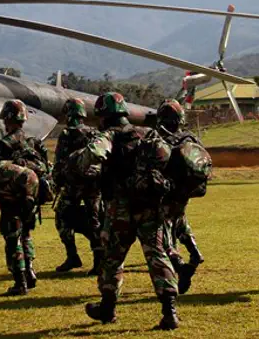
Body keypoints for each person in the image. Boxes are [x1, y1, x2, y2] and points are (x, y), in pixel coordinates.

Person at [82, 92, 180, 330]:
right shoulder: (148, 133)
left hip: (121, 210)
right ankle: (170, 312)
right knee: (157, 256)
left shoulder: (110, 135)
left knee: (112, 258)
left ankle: (108, 307)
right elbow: (167, 155)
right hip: (150, 207)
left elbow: (94, 153)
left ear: (105, 115)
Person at [0, 99, 48, 296]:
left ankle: (20, 282)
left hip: (11, 200)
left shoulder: (3, 144)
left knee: (12, 239)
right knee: (26, 235)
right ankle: (31, 271)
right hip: (31, 198)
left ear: (7, 120)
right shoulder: (34, 142)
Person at [155, 99, 204, 294]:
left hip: (166, 195)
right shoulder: (190, 138)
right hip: (184, 195)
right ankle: (194, 252)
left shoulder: (162, 140)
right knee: (180, 222)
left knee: (165, 240)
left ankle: (181, 266)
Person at [53, 98, 104, 275]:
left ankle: (72, 255)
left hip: (73, 185)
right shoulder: (94, 133)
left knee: (61, 217)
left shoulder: (67, 134)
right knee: (95, 221)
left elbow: (59, 162)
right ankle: (99, 260)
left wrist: (57, 182)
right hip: (93, 185)